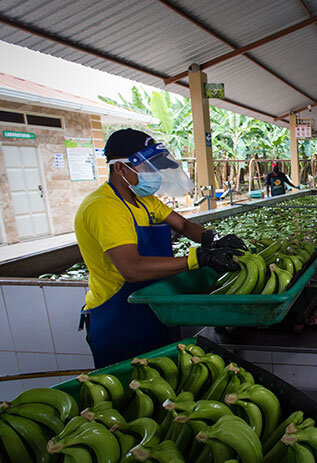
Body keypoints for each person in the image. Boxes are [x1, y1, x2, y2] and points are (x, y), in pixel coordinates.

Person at [74, 129, 246, 368]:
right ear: (120, 168)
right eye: (147, 167)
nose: (154, 173)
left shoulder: (144, 201)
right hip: (119, 320)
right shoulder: (104, 208)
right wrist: (199, 258)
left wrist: (211, 239)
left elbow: (184, 225)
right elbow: (132, 269)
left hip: (155, 309)